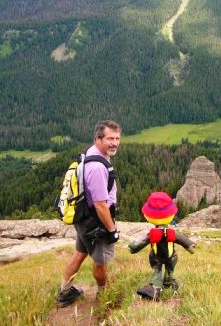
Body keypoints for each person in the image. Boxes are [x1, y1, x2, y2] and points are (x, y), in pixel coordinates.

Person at [57, 120, 121, 308]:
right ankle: (103, 293)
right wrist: (111, 229)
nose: (115, 143)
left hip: (84, 218)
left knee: (79, 253)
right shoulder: (98, 167)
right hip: (96, 222)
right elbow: (101, 205)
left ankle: (65, 292)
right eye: (110, 138)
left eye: (117, 138)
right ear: (98, 138)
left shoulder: (92, 153)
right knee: (101, 261)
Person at [129, 191, 196, 300]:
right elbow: (184, 241)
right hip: (171, 257)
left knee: (157, 271)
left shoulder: (151, 234)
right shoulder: (172, 233)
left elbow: (137, 245)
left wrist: (133, 248)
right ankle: (168, 282)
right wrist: (190, 246)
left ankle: (156, 289)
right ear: (171, 214)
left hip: (156, 257)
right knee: (170, 270)